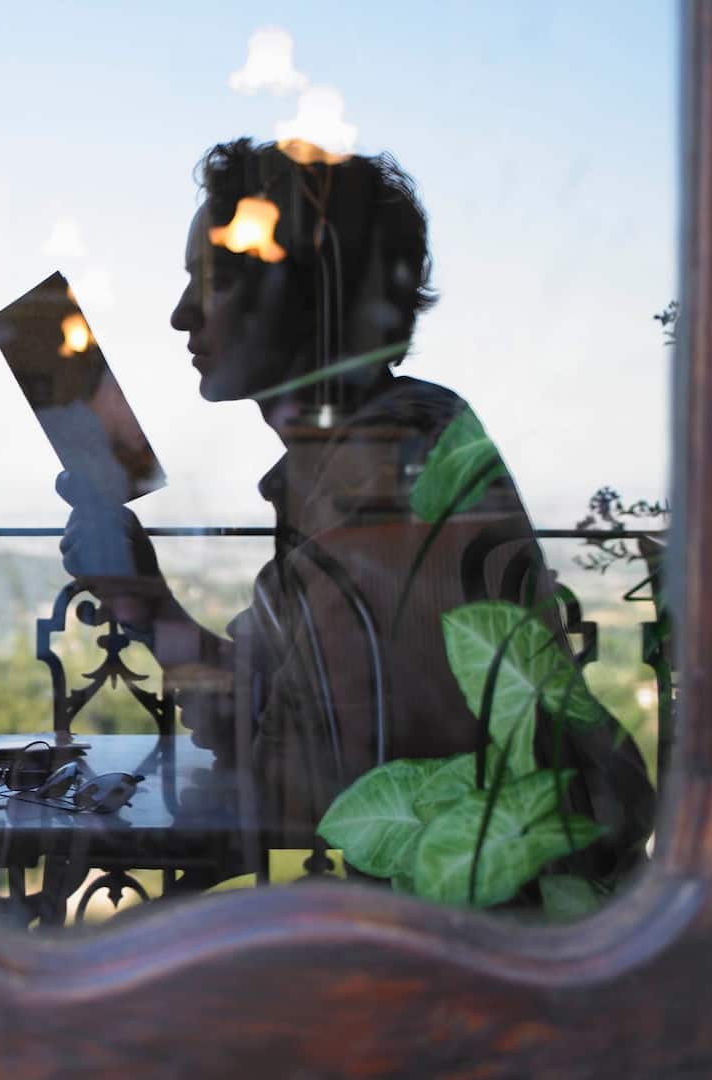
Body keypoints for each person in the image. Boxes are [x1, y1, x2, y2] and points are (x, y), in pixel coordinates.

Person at [59, 137, 654, 878]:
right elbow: (264, 714)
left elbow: (310, 786)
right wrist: (143, 599)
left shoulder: (389, 467)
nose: (183, 315)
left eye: (218, 279)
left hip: (506, 925)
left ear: (308, 295)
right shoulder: (368, 448)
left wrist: (150, 606)